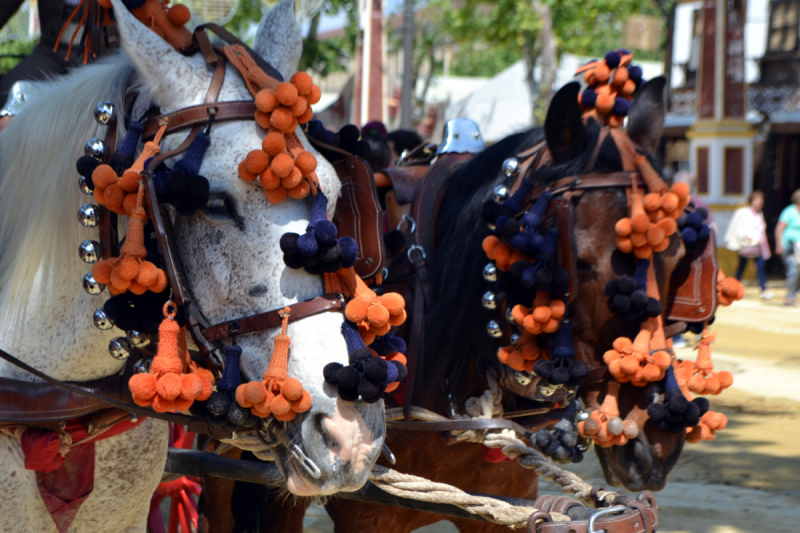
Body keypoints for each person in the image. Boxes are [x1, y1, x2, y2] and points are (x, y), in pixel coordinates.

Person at [725, 190, 773, 299]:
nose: (759, 203)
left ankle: (764, 289)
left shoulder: (759, 214)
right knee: (741, 267)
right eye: (757, 200)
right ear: (752, 201)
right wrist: (745, 237)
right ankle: (733, 289)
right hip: (746, 246)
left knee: (760, 267)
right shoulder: (742, 213)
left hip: (758, 246)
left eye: (761, 201)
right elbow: (737, 228)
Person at [775, 189, 800, 305]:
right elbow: (779, 229)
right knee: (793, 271)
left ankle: (794, 294)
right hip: (789, 246)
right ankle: (790, 296)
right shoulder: (789, 211)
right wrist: (779, 245)